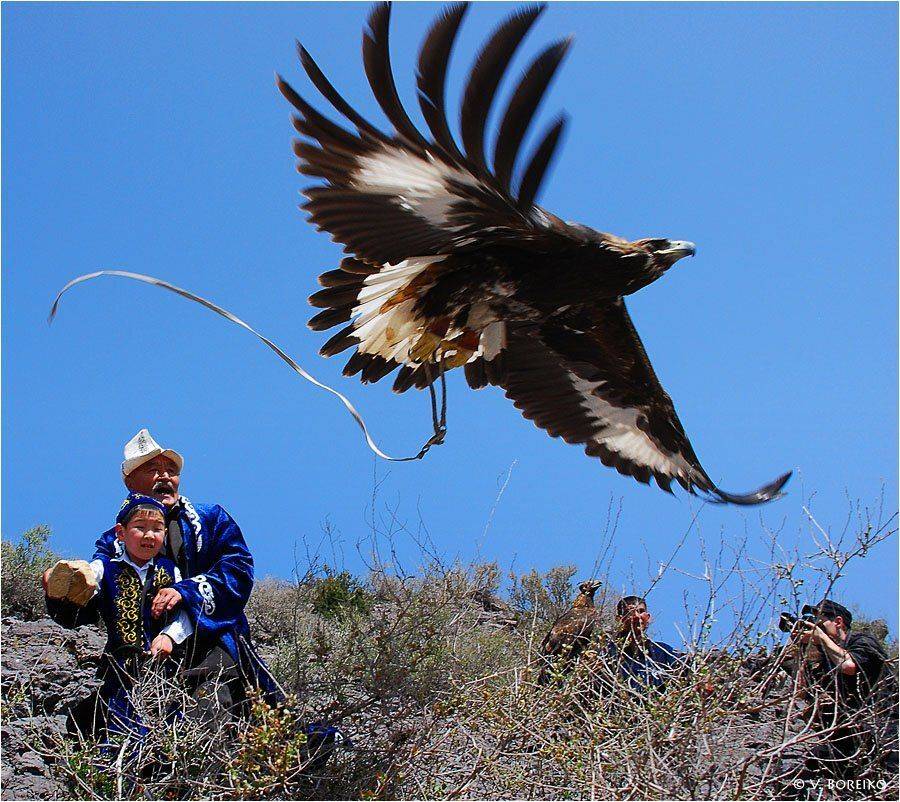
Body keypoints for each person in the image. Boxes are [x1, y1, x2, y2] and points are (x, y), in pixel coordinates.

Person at [46, 428, 282, 718]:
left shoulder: (211, 518)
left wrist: (186, 592)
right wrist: (63, 591)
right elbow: (92, 601)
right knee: (98, 722)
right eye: (153, 470)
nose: (165, 477)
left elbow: (238, 569)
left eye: (171, 470)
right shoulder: (114, 541)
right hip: (139, 657)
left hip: (208, 642)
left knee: (208, 707)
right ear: (131, 483)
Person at [44, 493, 192, 739]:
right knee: (116, 723)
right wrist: (64, 580)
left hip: (164, 668)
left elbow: (187, 611)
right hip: (118, 667)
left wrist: (169, 636)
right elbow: (86, 578)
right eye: (140, 527)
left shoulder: (171, 570)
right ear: (121, 533)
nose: (149, 535)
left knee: (165, 724)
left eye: (157, 529)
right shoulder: (106, 567)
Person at [782, 598, 888, 781]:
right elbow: (801, 692)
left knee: (888, 773)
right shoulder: (824, 660)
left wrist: (822, 638)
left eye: (820, 623)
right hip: (849, 733)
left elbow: (849, 666)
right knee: (810, 766)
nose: (817, 628)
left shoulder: (862, 641)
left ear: (838, 621)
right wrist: (800, 648)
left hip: (885, 725)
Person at [599, 596, 686, 695]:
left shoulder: (661, 651)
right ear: (619, 619)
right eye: (629, 612)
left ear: (648, 617)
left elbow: (685, 667)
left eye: (640, 611)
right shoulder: (608, 652)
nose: (636, 616)